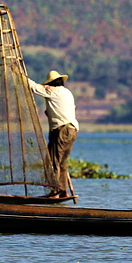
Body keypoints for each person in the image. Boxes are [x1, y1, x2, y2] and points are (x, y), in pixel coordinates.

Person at [28, 70, 79, 198]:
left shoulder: (53, 92)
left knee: (52, 162)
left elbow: (33, 87)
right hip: (72, 130)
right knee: (61, 163)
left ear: (51, 84)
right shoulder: (66, 93)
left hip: (63, 130)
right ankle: (62, 191)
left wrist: (20, 76)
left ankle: (55, 191)